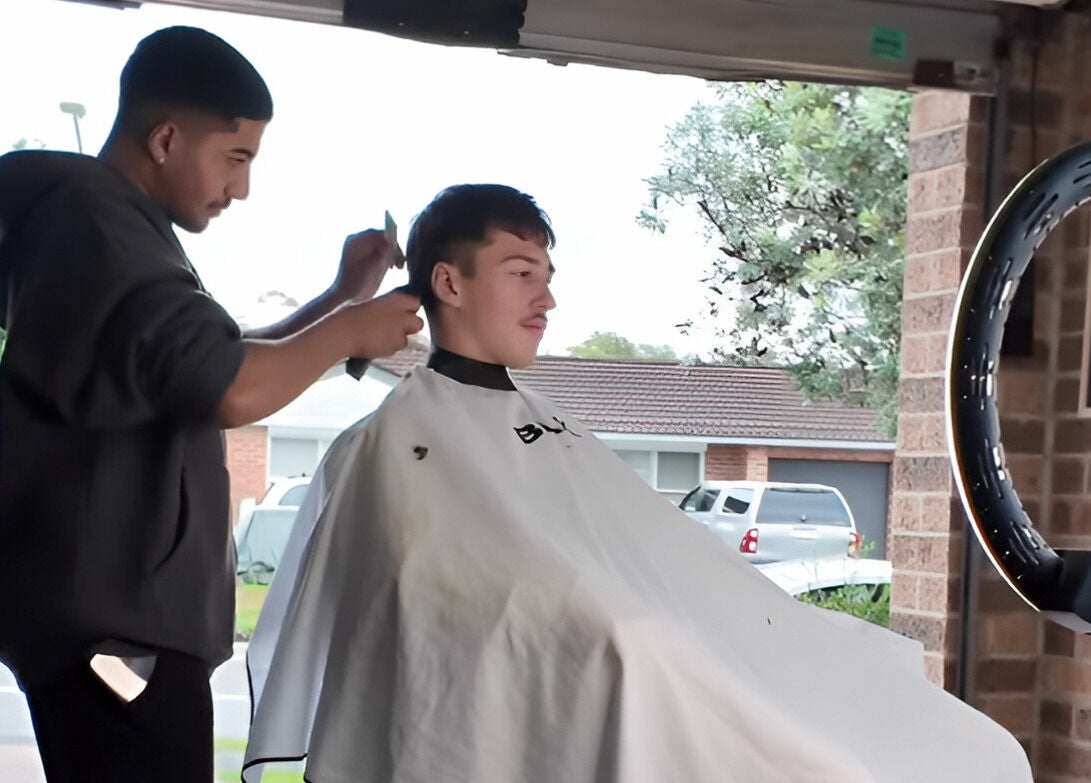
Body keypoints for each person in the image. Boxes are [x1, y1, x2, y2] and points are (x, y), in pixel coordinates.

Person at [244, 184, 1032, 783]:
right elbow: (428, 608)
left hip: (661, 653)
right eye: (520, 273)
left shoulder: (552, 424)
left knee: (921, 728)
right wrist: (621, 628)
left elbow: (648, 551)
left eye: (547, 275)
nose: (545, 297)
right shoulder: (393, 443)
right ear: (447, 283)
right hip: (595, 677)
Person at [0, 26, 421, 783]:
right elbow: (230, 385)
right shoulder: (96, 224)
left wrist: (338, 300)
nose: (242, 187)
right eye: (237, 157)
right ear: (165, 138)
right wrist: (354, 326)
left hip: (110, 627)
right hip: (118, 643)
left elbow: (207, 363)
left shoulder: (104, 231)